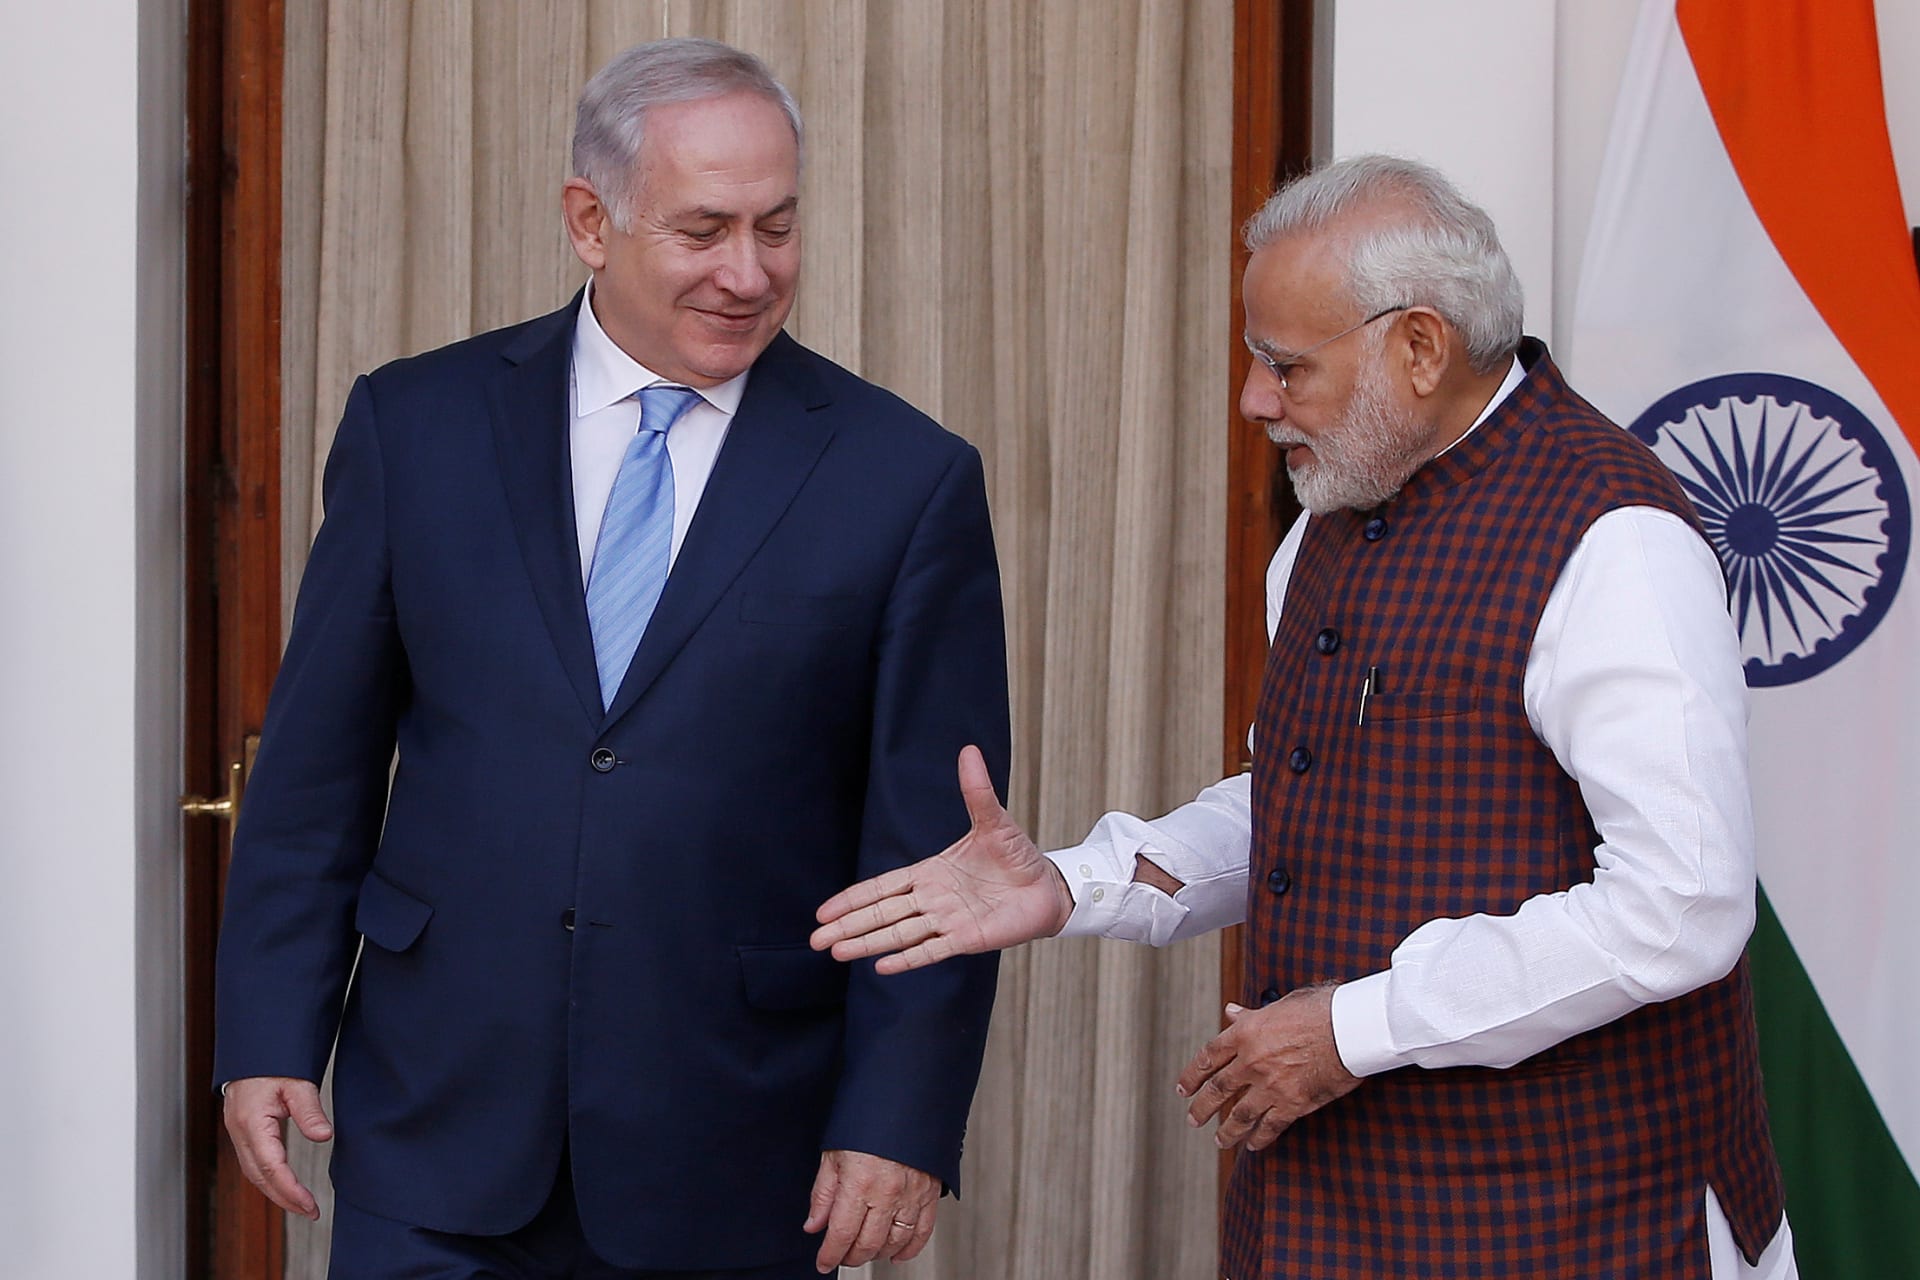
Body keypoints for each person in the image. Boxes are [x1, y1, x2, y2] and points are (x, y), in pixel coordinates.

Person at [814, 155, 1797, 1279]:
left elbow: (1684, 906)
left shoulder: (1615, 538)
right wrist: (1074, 882)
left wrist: (1351, 1028)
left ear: (1418, 348)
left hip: (1583, 1223)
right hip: (1325, 1220)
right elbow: (1302, 795)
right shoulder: (1326, 520)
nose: (1255, 401)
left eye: (1287, 366)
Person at [215, 37, 1009, 1279]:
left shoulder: (903, 480)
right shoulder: (416, 426)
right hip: (437, 1131)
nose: (748, 273)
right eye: (703, 230)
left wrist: (894, 1120)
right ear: (591, 220)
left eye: (778, 227)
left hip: (735, 1149)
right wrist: (268, 1028)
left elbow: (935, 853)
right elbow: (318, 763)